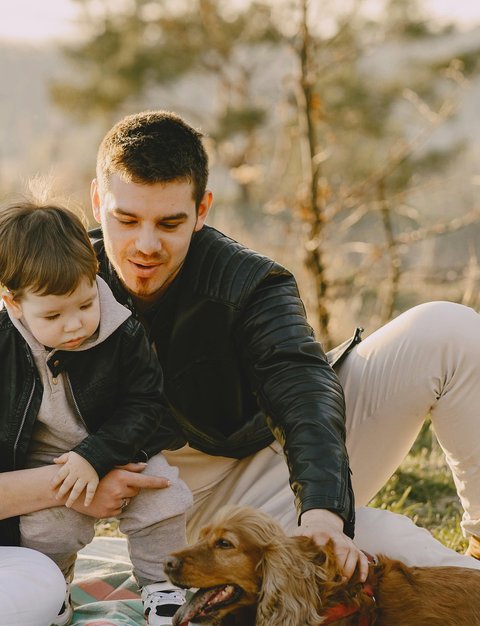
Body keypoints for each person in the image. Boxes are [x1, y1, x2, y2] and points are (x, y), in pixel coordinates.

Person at [85, 109, 480, 577]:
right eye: (126, 220)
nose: (146, 245)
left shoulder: (249, 282)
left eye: (169, 224)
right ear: (96, 201)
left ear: (202, 211)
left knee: (448, 328)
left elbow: (304, 388)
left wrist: (322, 516)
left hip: (288, 454)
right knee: (394, 546)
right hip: (193, 511)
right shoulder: (60, 286)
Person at [0, 197, 192, 626]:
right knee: (49, 526)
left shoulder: (122, 330)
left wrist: (98, 454)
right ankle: (54, 585)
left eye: (85, 305)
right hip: (43, 461)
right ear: (12, 303)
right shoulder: (2, 344)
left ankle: (163, 585)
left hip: (121, 444)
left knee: (162, 499)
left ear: (94, 278)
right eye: (53, 315)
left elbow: (145, 403)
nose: (76, 325)